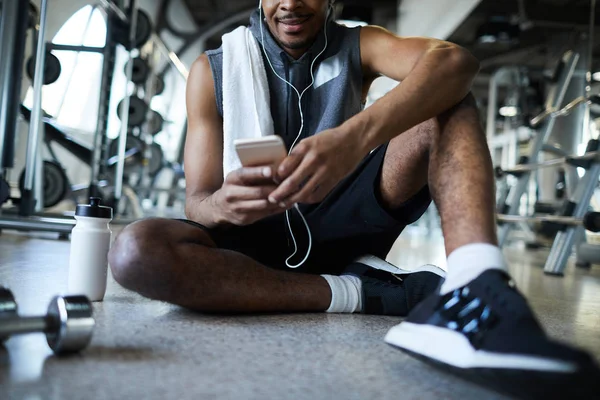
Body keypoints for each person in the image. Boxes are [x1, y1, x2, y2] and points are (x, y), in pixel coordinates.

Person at [108, 0, 600, 397]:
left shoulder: (358, 43)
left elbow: (455, 61)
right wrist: (223, 206)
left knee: (447, 93)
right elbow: (198, 200)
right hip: (246, 240)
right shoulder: (210, 70)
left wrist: (352, 139)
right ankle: (365, 293)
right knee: (136, 251)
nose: (290, 5)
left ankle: (474, 287)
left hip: (343, 217)